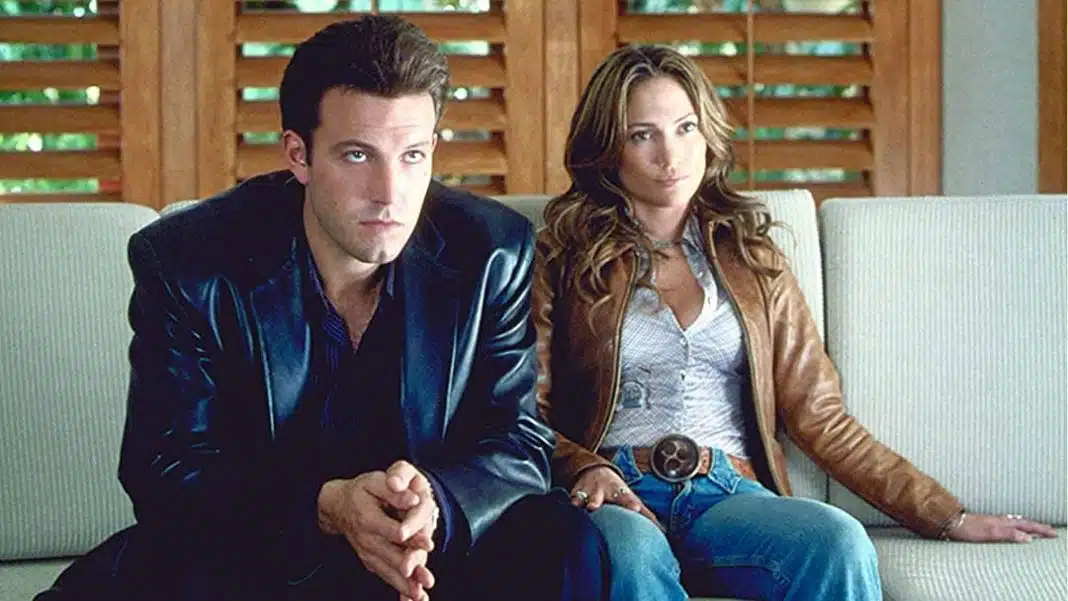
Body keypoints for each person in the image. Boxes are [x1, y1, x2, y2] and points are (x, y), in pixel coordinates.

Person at [35, 15, 609, 601]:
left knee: (570, 541)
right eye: (358, 155)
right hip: (258, 562)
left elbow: (517, 440)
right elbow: (167, 469)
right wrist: (328, 506)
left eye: (412, 155)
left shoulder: (491, 251)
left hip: (425, 556)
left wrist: (436, 499)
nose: (390, 193)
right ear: (299, 155)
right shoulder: (189, 262)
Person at [533, 44, 1057, 601]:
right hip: (616, 491)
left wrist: (947, 516)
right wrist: (581, 468)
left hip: (728, 493)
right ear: (607, 150)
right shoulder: (561, 256)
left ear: (707, 133)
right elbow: (521, 409)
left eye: (685, 127)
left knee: (835, 542)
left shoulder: (753, 259)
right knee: (625, 554)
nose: (671, 154)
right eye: (643, 135)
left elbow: (820, 417)